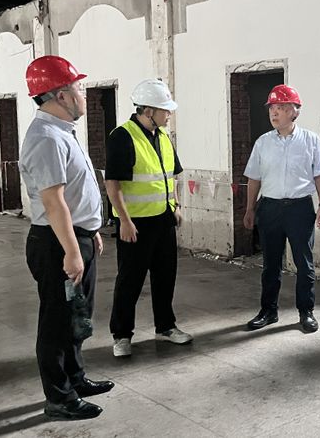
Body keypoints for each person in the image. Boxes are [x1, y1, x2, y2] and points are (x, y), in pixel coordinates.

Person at [20, 55, 113, 420]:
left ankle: (75, 379)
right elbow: (53, 202)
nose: (82, 94)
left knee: (76, 316)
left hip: (76, 236)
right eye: (78, 87)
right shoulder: (45, 138)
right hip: (57, 243)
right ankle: (59, 398)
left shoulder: (62, 132)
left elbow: (74, 193)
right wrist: (72, 251)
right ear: (60, 95)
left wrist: (90, 231)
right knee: (57, 322)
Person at [105, 79, 192, 357]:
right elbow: (112, 183)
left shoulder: (163, 137)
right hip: (136, 223)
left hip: (163, 219)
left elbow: (171, 175)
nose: (169, 114)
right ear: (148, 110)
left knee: (165, 277)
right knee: (130, 280)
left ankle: (165, 327)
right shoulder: (123, 136)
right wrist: (124, 220)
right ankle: (121, 335)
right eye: (165, 109)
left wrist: (175, 205)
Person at [243, 84, 320, 333]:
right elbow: (254, 178)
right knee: (270, 264)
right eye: (272, 107)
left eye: (280, 107)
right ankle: (268, 311)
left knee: (304, 263)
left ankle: (306, 312)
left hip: (299, 209)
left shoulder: (310, 140)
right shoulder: (263, 143)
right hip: (269, 208)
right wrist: (250, 209)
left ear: (295, 111)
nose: (274, 112)